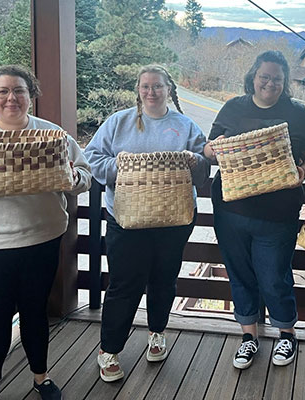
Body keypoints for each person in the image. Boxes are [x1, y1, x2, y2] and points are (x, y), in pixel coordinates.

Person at [0, 65, 91, 400]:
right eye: (3, 91)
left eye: (19, 90)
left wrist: (74, 179)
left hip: (42, 239)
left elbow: (85, 174)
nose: (11, 98)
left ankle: (40, 377)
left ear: (31, 96)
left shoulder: (53, 135)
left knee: (35, 312)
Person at [84, 64, 210, 383]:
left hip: (175, 219)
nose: (151, 92)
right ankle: (109, 350)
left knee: (164, 279)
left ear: (169, 89)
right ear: (138, 90)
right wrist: (122, 168)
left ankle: (157, 332)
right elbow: (92, 157)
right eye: (145, 86)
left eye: (158, 86)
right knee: (124, 284)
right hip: (125, 219)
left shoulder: (184, 125)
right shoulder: (118, 122)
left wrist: (197, 162)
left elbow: (203, 167)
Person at [203, 50, 305, 370]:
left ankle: (286, 334)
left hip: (277, 214)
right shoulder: (233, 107)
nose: (270, 83)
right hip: (231, 210)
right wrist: (213, 150)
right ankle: (249, 337)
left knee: (274, 276)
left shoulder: (296, 112)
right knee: (240, 275)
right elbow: (209, 148)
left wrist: (302, 173)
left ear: (285, 83)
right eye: (264, 77)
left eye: (277, 79)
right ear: (253, 77)